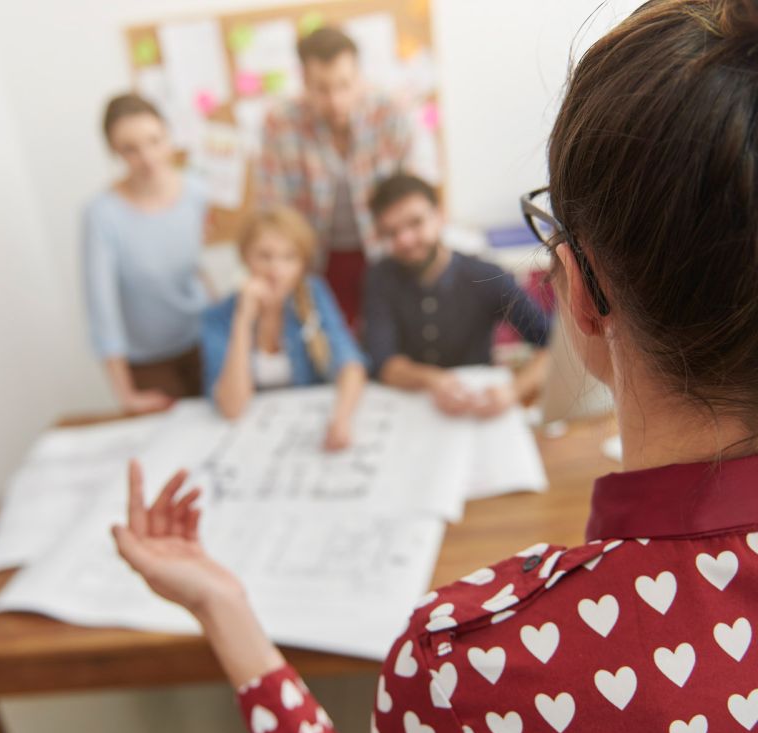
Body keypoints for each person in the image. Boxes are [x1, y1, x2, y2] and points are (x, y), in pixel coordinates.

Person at [112, 0, 758, 733]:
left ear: (579, 296)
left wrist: (224, 610)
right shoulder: (355, 283)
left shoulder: (469, 659)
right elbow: (372, 359)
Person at [256, 26, 413, 327]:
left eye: (345, 85)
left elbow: (410, 193)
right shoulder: (279, 123)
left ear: (359, 76)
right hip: (314, 263)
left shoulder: (388, 112)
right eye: (322, 88)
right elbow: (273, 211)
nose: (336, 100)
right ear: (303, 80)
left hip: (384, 256)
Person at [365, 173, 551, 418]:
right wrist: (432, 380)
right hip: (410, 409)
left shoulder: (486, 275)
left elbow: (552, 344)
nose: (405, 240)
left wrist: (513, 391)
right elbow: (382, 362)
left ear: (439, 215)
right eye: (392, 232)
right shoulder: (380, 277)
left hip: (479, 409)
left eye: (415, 223)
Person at [83, 93, 211, 414]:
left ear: (168, 136)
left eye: (154, 141)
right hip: (149, 363)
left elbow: (198, 269)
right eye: (130, 149)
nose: (148, 157)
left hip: (203, 341)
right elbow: (102, 308)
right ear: (115, 151)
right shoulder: (102, 215)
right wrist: (125, 394)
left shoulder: (195, 192)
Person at [201, 206, 366, 451]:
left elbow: (351, 364)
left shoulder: (314, 294)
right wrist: (243, 319)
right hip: (249, 439)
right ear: (245, 257)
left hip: (303, 434)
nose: (276, 271)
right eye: (265, 256)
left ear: (302, 263)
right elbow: (232, 407)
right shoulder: (216, 317)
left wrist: (341, 418)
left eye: (289, 258)